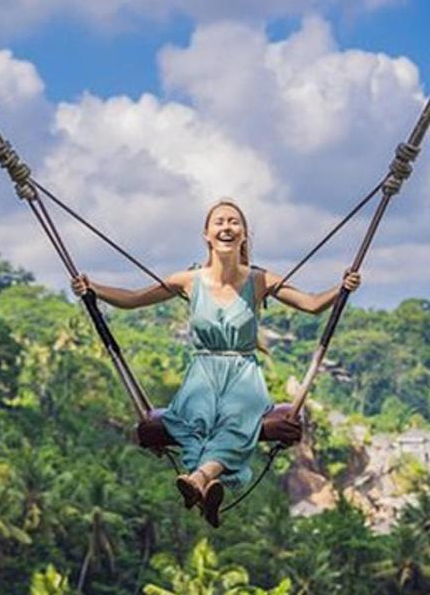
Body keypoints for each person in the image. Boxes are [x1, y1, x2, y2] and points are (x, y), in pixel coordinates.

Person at [71, 200, 361, 527]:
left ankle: (198, 480)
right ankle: (210, 487)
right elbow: (135, 298)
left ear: (244, 235)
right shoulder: (189, 281)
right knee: (196, 421)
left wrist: (342, 289)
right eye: (219, 222)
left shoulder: (259, 280)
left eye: (234, 222)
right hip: (203, 373)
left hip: (243, 373)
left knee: (238, 420)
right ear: (206, 235)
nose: (226, 227)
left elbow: (310, 305)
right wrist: (92, 288)